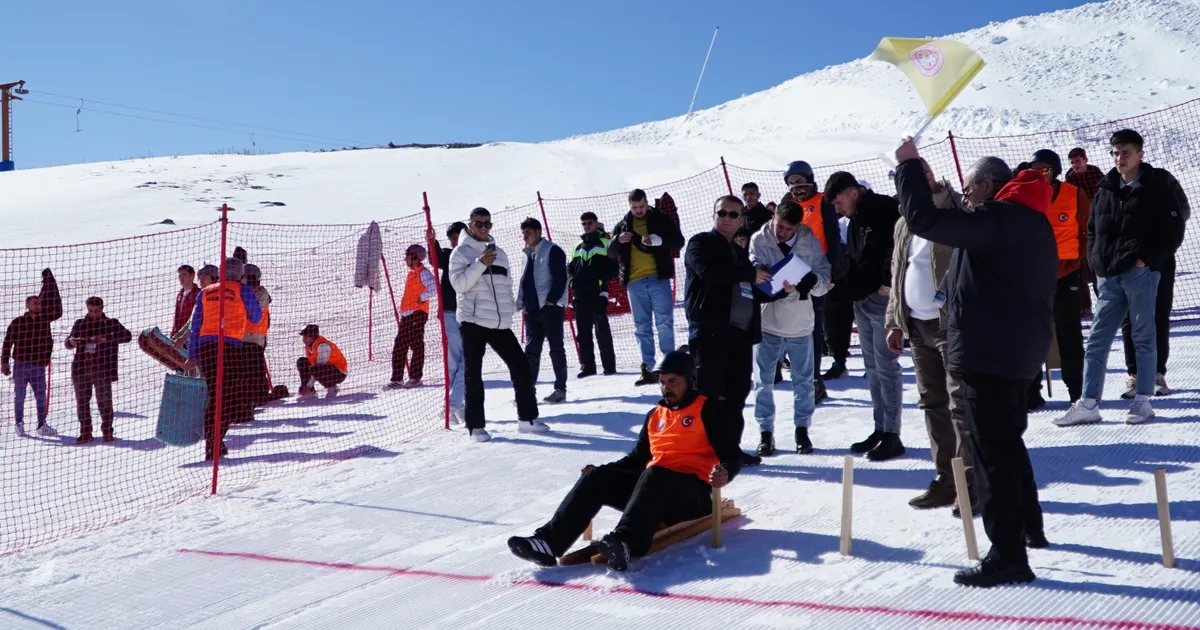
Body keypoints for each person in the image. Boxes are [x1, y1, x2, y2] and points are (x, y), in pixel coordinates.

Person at [895, 142, 1055, 587]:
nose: (966, 199)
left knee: (991, 455)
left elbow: (924, 221)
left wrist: (907, 167)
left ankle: (1008, 555)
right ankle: (1028, 527)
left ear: (987, 186)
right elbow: (952, 226)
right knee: (1007, 444)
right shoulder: (1024, 218)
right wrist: (929, 186)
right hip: (1011, 351)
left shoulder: (1000, 219)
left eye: (968, 192)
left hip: (990, 354)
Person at [506, 350, 742, 571]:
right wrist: (601, 472)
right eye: (662, 382)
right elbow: (637, 460)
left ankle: (626, 542)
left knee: (654, 473)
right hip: (654, 492)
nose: (665, 388)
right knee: (597, 477)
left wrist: (725, 473)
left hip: (691, 497)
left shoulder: (707, 410)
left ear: (689, 381)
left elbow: (732, 455)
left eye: (672, 381)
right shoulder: (655, 415)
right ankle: (548, 542)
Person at [1056, 129, 1190, 427]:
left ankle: (1143, 400)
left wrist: (1147, 260)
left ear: (1140, 154)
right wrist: (1096, 260)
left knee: (1143, 335)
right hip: (1108, 275)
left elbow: (1173, 230)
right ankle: (1088, 403)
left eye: (1126, 152)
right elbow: (1093, 228)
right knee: (1097, 339)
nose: (1120, 158)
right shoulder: (1106, 188)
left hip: (1140, 273)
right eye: (1116, 153)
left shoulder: (1157, 187)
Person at [884, 158, 974, 510]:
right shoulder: (903, 223)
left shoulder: (953, 211)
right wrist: (894, 321)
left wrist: (930, 186)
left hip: (951, 324)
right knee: (933, 403)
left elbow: (950, 203)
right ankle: (946, 479)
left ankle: (970, 483)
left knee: (960, 404)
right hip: (917, 326)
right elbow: (897, 274)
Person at [684, 195, 773, 467]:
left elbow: (749, 290)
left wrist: (780, 288)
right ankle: (701, 452)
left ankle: (729, 451)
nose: (727, 218)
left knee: (736, 395)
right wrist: (749, 274)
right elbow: (709, 272)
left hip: (740, 336)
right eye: (722, 213)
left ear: (741, 220)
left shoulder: (738, 253)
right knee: (707, 396)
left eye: (733, 214)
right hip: (711, 333)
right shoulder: (700, 243)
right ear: (713, 215)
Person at [826, 171, 904, 461]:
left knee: (887, 366)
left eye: (838, 202)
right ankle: (880, 428)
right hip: (862, 298)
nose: (838, 209)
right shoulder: (853, 221)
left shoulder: (884, 209)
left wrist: (887, 282)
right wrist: (840, 287)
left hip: (883, 299)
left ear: (853, 192)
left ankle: (892, 434)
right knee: (872, 368)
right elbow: (853, 261)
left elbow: (895, 250)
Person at [449, 208, 546, 441]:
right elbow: (459, 285)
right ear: (470, 225)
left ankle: (527, 419)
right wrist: (480, 264)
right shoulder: (460, 253)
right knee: (473, 373)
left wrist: (509, 309)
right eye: (479, 224)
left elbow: (507, 285)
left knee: (521, 365)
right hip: (473, 321)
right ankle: (475, 427)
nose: (484, 228)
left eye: (488, 224)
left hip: (499, 323)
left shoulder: (499, 253)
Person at [749, 198, 831, 456]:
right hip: (767, 322)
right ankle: (765, 432)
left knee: (804, 380)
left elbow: (824, 277)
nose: (782, 232)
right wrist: (759, 275)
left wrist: (811, 281)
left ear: (798, 226)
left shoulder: (809, 241)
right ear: (773, 217)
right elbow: (752, 272)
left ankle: (802, 429)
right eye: (779, 226)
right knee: (763, 380)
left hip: (800, 322)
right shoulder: (759, 239)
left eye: (788, 229)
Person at [1025, 150, 1089, 408]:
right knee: (1031, 335)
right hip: (1032, 276)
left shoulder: (1074, 195)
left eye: (1044, 170)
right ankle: (1030, 393)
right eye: (1033, 170)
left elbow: (1089, 230)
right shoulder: (1023, 197)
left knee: (1069, 333)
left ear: (1056, 171)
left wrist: (1077, 259)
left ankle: (1077, 392)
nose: (1038, 175)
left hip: (1065, 274)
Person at [188, 259, 262, 460]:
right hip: (230, 346)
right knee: (228, 396)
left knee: (215, 393)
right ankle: (215, 440)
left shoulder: (205, 292)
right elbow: (256, 318)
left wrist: (192, 355)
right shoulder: (243, 290)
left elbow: (195, 325)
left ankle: (213, 442)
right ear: (240, 274)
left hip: (206, 347)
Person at [611, 188, 685, 386]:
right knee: (642, 326)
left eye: (642, 206)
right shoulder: (623, 224)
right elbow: (610, 253)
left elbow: (679, 241)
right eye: (635, 207)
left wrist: (660, 241)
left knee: (664, 321)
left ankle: (668, 365)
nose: (639, 210)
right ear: (630, 206)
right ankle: (648, 368)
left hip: (658, 278)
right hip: (634, 281)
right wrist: (617, 240)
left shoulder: (660, 219)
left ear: (646, 203)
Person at [783, 161, 843, 402]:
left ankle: (814, 380)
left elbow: (833, 238)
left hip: (816, 273)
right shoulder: (788, 205)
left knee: (813, 327)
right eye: (791, 183)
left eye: (799, 181)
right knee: (795, 328)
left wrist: (831, 274)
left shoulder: (821, 201)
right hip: (792, 274)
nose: (796, 187)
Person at [2, 269, 63, 435]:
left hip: (39, 365)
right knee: (19, 396)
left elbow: (56, 318)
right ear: (27, 305)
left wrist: (50, 283)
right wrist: (4, 362)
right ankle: (19, 423)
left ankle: (42, 425)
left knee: (41, 396)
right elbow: (7, 343)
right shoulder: (18, 322)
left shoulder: (45, 321)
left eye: (39, 303)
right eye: (35, 303)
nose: (38, 305)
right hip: (21, 365)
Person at [65, 297, 133, 443]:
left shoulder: (111, 323)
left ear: (102, 309)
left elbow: (127, 336)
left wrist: (107, 338)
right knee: (82, 402)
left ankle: (107, 431)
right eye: (91, 311)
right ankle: (85, 432)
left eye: (96, 311)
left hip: (102, 368)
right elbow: (68, 342)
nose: (93, 314)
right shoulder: (80, 323)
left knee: (105, 401)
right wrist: (72, 342)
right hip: (81, 367)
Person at [518, 217, 569, 403]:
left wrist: (551, 301)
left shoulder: (553, 250)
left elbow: (561, 278)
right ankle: (528, 391)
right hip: (532, 309)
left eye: (528, 232)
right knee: (531, 352)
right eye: (523, 233)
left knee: (556, 348)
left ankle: (560, 389)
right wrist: (523, 304)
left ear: (538, 232)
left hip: (549, 309)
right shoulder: (526, 254)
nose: (525, 236)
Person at [568, 212, 617, 378]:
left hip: (598, 292)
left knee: (602, 330)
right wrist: (572, 281)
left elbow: (613, 267)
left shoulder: (605, 242)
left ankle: (609, 367)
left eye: (590, 222)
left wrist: (601, 280)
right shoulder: (577, 246)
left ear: (596, 224)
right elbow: (570, 268)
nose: (587, 226)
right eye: (584, 223)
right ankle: (587, 367)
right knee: (583, 332)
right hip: (580, 294)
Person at [430, 222, 468, 422]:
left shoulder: (473, 256)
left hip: (469, 314)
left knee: (466, 361)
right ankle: (455, 405)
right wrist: (432, 241)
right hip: (451, 313)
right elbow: (435, 258)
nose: (454, 240)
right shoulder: (450, 255)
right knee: (457, 361)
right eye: (451, 238)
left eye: (457, 236)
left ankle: (455, 405)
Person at [389, 244, 437, 388]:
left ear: (415, 257)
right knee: (400, 346)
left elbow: (434, 287)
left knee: (416, 345)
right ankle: (397, 379)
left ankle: (415, 378)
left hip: (417, 313)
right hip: (408, 314)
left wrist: (423, 297)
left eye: (408, 256)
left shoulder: (423, 273)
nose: (405, 259)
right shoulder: (412, 273)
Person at [241, 263, 272, 410]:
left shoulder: (261, 292)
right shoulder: (246, 292)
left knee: (255, 366)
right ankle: (251, 395)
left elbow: (252, 310)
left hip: (256, 336)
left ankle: (260, 395)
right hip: (243, 336)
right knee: (247, 367)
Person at [297, 324, 347, 396]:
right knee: (302, 362)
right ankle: (310, 392)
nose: (303, 339)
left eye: (306, 337)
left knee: (315, 369)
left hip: (339, 373)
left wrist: (308, 385)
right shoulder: (309, 346)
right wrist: (305, 385)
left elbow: (318, 368)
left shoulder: (323, 346)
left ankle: (332, 388)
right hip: (326, 369)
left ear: (313, 337)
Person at [172, 265, 200, 340]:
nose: (181, 278)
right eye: (179, 276)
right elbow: (176, 316)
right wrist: (173, 333)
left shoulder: (198, 293)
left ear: (192, 275)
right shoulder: (180, 295)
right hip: (178, 335)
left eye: (184, 274)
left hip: (192, 335)